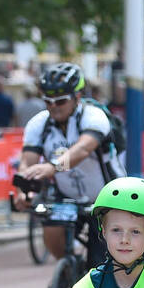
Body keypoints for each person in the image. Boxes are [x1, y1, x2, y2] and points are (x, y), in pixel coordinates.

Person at [14, 62, 122, 264]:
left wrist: (52, 167)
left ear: (77, 97)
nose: (53, 106)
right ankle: (70, 270)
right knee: (52, 232)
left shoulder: (94, 116)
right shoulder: (38, 124)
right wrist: (23, 190)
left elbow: (82, 150)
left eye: (61, 100)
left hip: (106, 196)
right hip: (68, 196)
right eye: (48, 101)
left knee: (99, 260)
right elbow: (27, 162)